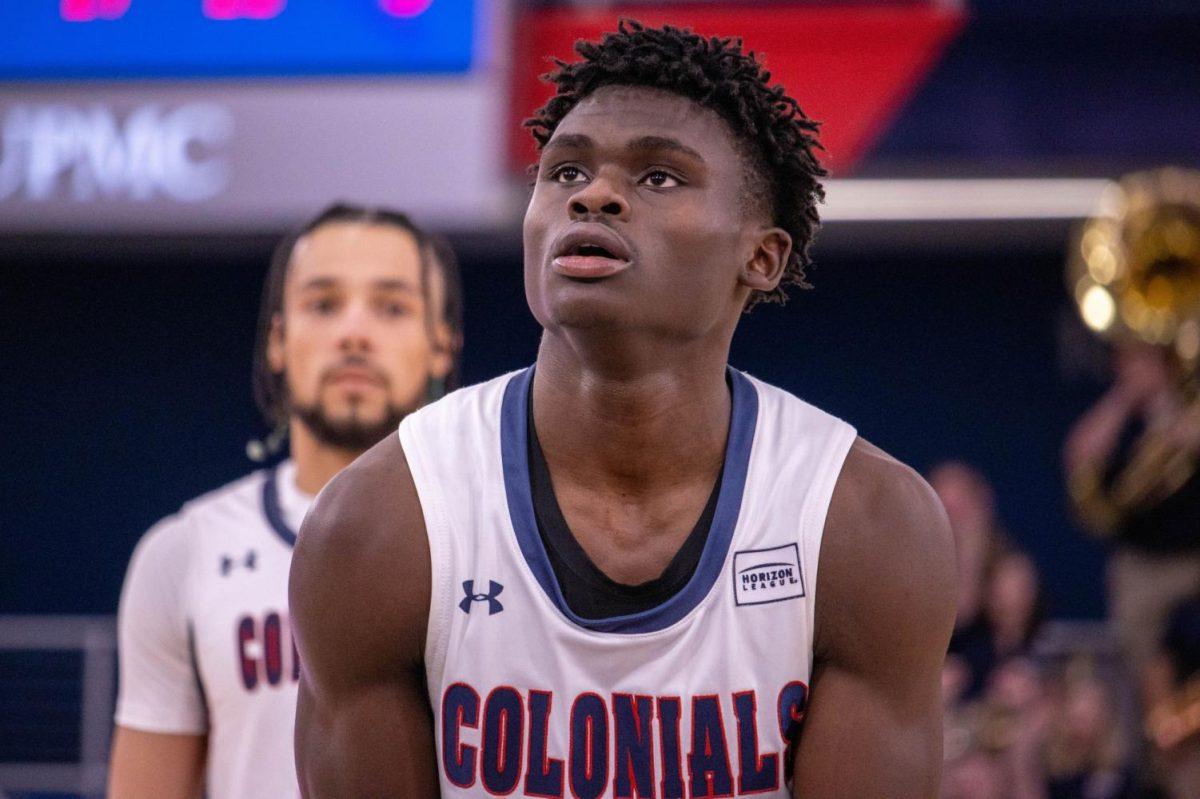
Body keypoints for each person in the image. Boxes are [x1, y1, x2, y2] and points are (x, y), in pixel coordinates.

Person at [292, 21, 956, 798]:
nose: (594, 194)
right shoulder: (378, 524)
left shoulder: (867, 525)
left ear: (761, 256)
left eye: (658, 178)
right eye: (565, 169)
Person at [107, 204, 462, 799]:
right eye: (323, 304)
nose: (354, 332)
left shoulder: (492, 533)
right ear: (278, 340)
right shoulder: (184, 552)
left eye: (392, 307)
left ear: (440, 347)